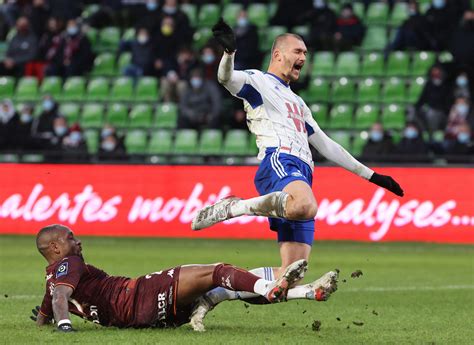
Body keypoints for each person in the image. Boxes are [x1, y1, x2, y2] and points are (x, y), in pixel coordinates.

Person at [189, 19, 404, 330]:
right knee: (305, 205)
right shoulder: (259, 82)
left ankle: (211, 296)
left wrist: (373, 177)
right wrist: (229, 52)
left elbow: (327, 145)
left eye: (306, 52)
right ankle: (234, 207)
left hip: (300, 173)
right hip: (279, 162)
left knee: (290, 276)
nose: (304, 56)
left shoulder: (299, 104)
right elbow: (226, 78)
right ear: (278, 54)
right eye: (298, 50)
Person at [31, 224, 315, 331]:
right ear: (55, 248)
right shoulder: (69, 263)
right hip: (139, 294)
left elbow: (49, 307)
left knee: (218, 290)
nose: (78, 242)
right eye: (71, 238)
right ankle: (270, 286)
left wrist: (45, 321)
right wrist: (65, 326)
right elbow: (59, 298)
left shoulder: (52, 280)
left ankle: (298, 292)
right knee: (217, 272)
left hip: (139, 321)